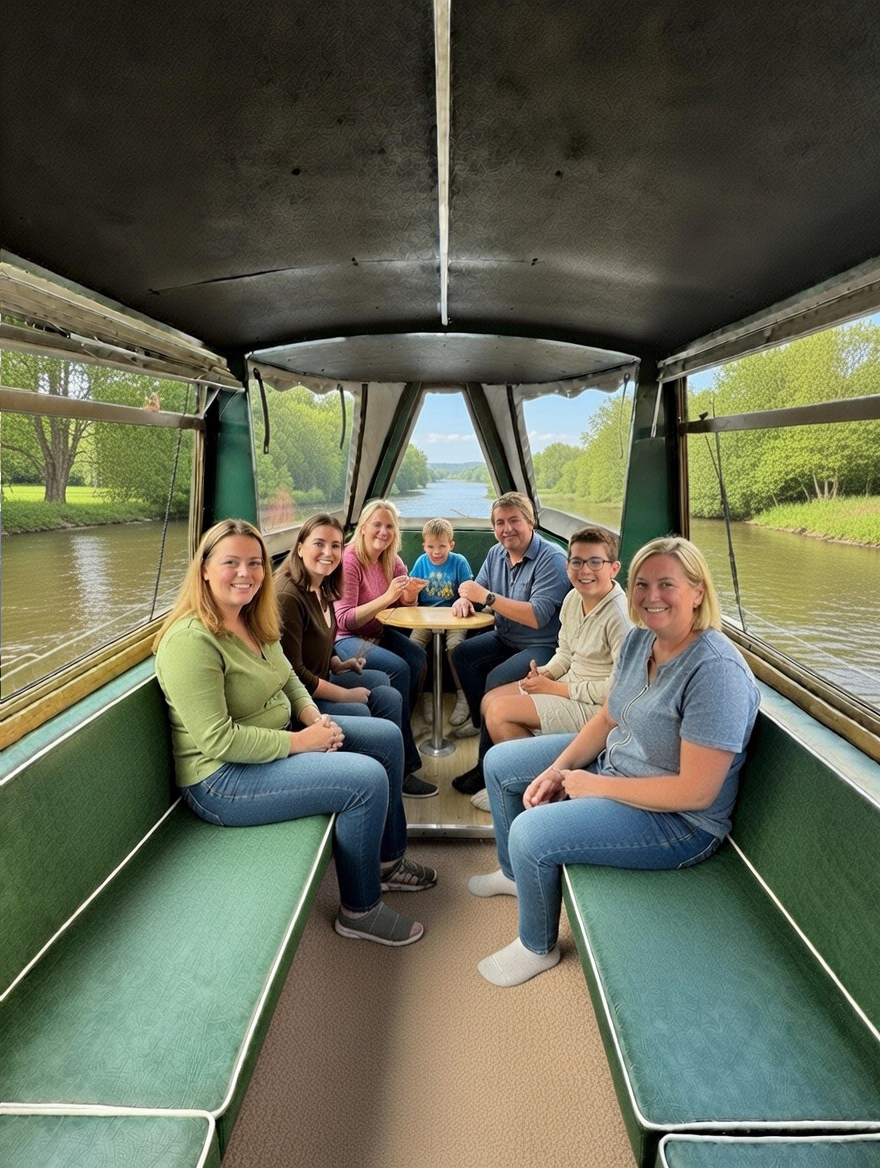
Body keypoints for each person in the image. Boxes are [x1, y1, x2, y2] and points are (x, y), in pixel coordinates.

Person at [470, 536, 759, 987]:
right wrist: (556, 769)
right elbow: (607, 717)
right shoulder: (640, 641)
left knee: (531, 832)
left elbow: (696, 791)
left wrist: (593, 785)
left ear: (698, 592)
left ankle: (536, 945)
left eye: (667, 584)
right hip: (619, 768)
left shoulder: (715, 672)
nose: (651, 596)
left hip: (679, 822)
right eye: (642, 584)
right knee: (502, 763)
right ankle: (514, 874)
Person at [154, 518, 436, 948]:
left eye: (255, 563)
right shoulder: (190, 642)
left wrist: (311, 718)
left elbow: (288, 676)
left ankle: (387, 860)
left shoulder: (251, 617)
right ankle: (360, 910)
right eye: (232, 562)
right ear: (205, 568)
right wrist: (301, 743)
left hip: (278, 737)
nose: (246, 573)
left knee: (385, 737)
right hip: (222, 779)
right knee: (365, 781)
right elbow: (218, 741)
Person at [468, 527, 632, 812]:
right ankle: (518, 774)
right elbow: (565, 652)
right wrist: (547, 673)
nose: (585, 570)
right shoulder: (573, 599)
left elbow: (617, 690)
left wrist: (554, 689)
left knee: (499, 713)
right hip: (569, 684)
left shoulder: (618, 617)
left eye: (595, 562)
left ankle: (536, 788)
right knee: (489, 700)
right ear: (567, 566)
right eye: (577, 562)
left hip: (596, 708)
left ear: (614, 568)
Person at [450, 491, 570, 796]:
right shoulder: (496, 554)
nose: (507, 529)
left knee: (495, 680)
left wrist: (485, 598)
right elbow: (476, 590)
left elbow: (537, 617)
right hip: (505, 637)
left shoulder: (552, 559)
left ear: (530, 522)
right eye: (500, 523)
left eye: (514, 520)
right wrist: (465, 601)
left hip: (543, 644)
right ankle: (483, 725)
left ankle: (484, 765)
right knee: (462, 654)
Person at [333, 499, 437, 798]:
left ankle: (399, 726)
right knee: (398, 667)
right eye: (377, 524)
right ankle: (402, 764)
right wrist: (389, 594)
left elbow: (402, 604)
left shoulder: (392, 560)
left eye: (389, 526)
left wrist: (408, 597)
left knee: (417, 656)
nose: (383, 531)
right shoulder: (350, 560)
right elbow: (345, 619)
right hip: (344, 639)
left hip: (376, 632)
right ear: (363, 527)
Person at [275, 513, 409, 733]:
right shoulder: (288, 596)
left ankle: (403, 760)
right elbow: (294, 674)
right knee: (362, 710)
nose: (328, 553)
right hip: (298, 700)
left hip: (323, 676)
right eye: (319, 543)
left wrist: (336, 662)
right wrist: (346, 695)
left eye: (335, 545)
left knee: (389, 693)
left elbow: (321, 637)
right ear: (300, 548)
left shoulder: (323, 584)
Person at [408, 517, 474, 726]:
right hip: (425, 616)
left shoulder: (459, 562)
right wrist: (412, 590)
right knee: (413, 647)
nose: (436, 552)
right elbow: (412, 591)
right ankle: (425, 695)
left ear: (451, 545)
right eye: (431, 547)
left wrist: (464, 599)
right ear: (424, 546)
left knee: (456, 647)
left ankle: (463, 695)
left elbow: (467, 590)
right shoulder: (421, 562)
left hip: (454, 616)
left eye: (442, 546)